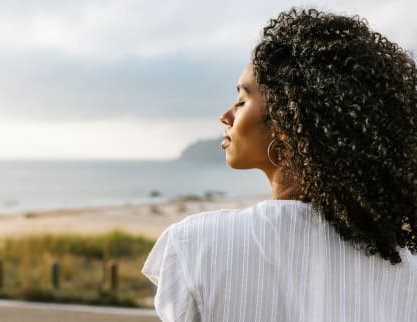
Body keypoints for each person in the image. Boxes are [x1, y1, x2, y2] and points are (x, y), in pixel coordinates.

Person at [142, 8, 417, 321]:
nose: (226, 116)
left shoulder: (196, 245)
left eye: (242, 101)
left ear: (287, 125)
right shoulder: (406, 266)